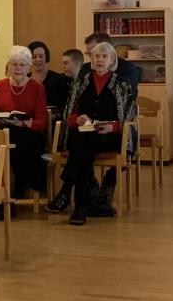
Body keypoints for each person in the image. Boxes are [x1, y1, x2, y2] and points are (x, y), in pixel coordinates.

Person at [47, 42, 134, 225]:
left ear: (111, 60)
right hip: (84, 134)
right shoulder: (81, 82)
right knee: (83, 145)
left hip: (109, 136)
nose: (100, 60)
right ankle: (81, 207)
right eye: (96, 56)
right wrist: (77, 120)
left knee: (81, 143)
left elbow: (127, 120)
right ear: (91, 60)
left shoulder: (121, 85)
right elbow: (69, 115)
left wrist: (112, 127)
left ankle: (67, 190)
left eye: (104, 56)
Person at [0, 46, 49, 199]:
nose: (18, 68)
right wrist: (2, 120)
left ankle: (0, 200)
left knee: (5, 149)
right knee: (1, 146)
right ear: (8, 66)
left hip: (29, 135)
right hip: (4, 131)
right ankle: (5, 199)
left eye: (22, 64)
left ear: (29, 67)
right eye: (14, 64)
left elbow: (42, 122)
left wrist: (25, 123)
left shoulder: (37, 88)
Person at [27, 40, 70, 111]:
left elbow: (64, 108)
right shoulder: (24, 80)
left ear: (46, 57)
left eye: (41, 56)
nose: (38, 59)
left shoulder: (59, 79)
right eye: (34, 57)